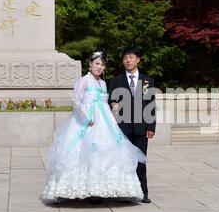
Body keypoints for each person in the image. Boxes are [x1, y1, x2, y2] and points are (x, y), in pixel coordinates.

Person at [41, 51, 146, 203]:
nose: (99, 67)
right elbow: (76, 101)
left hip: (104, 121)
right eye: (97, 63)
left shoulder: (103, 83)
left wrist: (114, 106)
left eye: (102, 65)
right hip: (86, 121)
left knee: (105, 153)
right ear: (90, 64)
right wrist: (85, 117)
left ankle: (99, 190)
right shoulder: (84, 80)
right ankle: (78, 189)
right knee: (83, 153)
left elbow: (104, 103)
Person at [109, 46, 156, 204]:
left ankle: (143, 192)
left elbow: (151, 105)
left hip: (142, 128)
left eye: (131, 57)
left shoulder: (148, 81)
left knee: (140, 161)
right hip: (123, 128)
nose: (128, 60)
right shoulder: (117, 81)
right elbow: (111, 104)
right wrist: (114, 106)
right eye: (125, 58)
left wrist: (151, 127)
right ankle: (125, 192)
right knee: (124, 161)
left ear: (138, 60)